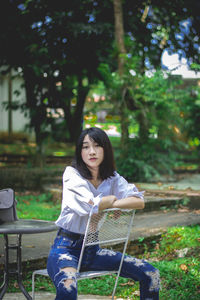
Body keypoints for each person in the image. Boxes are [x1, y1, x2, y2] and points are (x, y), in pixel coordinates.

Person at [47, 127, 160, 300]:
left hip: (93, 251)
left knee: (150, 273)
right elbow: (90, 205)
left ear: (105, 149)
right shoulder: (72, 174)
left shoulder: (112, 178)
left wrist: (112, 202)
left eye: (97, 145)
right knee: (67, 288)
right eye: (85, 147)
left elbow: (139, 201)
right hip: (65, 249)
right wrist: (112, 200)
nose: (91, 151)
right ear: (80, 151)